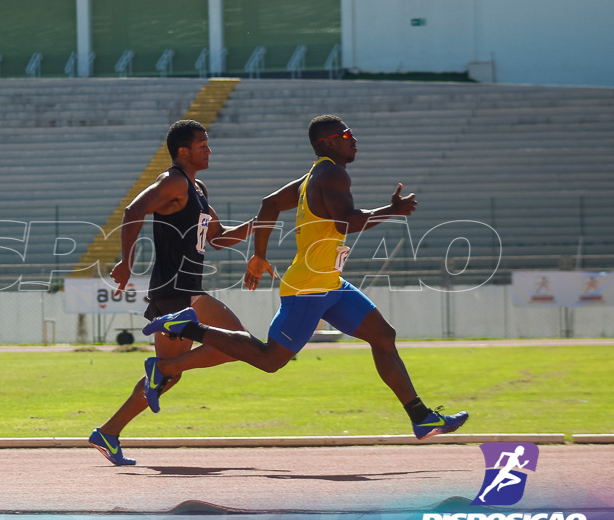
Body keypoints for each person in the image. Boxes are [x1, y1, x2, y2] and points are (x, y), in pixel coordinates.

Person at [142, 115, 468, 440]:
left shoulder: (315, 175)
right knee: (269, 360)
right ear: (328, 142)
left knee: (383, 336)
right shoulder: (331, 174)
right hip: (309, 286)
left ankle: (421, 417)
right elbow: (348, 222)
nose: (354, 139)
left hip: (331, 283)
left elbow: (269, 205)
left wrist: (259, 255)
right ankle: (185, 326)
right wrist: (391, 211)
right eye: (347, 134)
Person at [89, 120, 255, 466]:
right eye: (203, 145)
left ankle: (109, 431)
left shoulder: (198, 188)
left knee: (169, 375)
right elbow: (134, 210)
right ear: (183, 151)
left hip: (175, 291)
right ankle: (160, 368)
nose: (209, 150)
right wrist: (126, 261)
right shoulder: (173, 181)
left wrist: (259, 222)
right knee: (241, 342)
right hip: (181, 289)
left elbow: (219, 238)